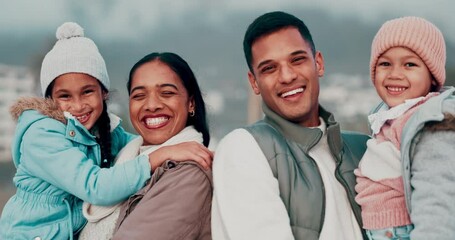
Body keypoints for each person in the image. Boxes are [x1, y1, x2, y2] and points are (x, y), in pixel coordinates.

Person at [0, 23, 212, 240]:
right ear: (51, 100)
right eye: (65, 96)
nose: (78, 105)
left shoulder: (105, 132)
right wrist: (162, 155)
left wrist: (178, 149)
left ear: (104, 93)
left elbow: (143, 145)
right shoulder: (43, 136)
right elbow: (95, 186)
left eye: (87, 92)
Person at [212, 11, 369, 240]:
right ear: (254, 82)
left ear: (318, 63)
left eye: (297, 60)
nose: (286, 76)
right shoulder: (245, 148)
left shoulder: (365, 150)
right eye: (269, 68)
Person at [79, 52, 213, 240]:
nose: (151, 105)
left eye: (167, 93)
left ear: (191, 103)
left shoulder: (190, 172)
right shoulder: (124, 159)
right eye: (139, 95)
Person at [354, 16, 455, 240]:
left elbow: (437, 202)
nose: (395, 74)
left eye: (410, 64)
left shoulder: (431, 125)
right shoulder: (388, 117)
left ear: (431, 76)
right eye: (385, 64)